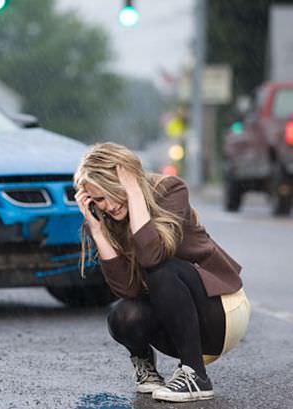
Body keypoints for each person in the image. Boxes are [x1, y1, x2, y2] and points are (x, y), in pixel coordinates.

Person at [73, 142, 250, 403]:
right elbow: (127, 290)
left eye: (112, 192)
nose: (108, 205)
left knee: (161, 270)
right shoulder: (106, 219)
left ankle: (195, 377)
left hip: (221, 312)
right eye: (98, 199)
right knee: (122, 315)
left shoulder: (170, 190)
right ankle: (148, 369)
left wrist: (133, 193)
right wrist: (97, 232)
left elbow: (152, 256)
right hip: (178, 328)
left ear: (127, 180)